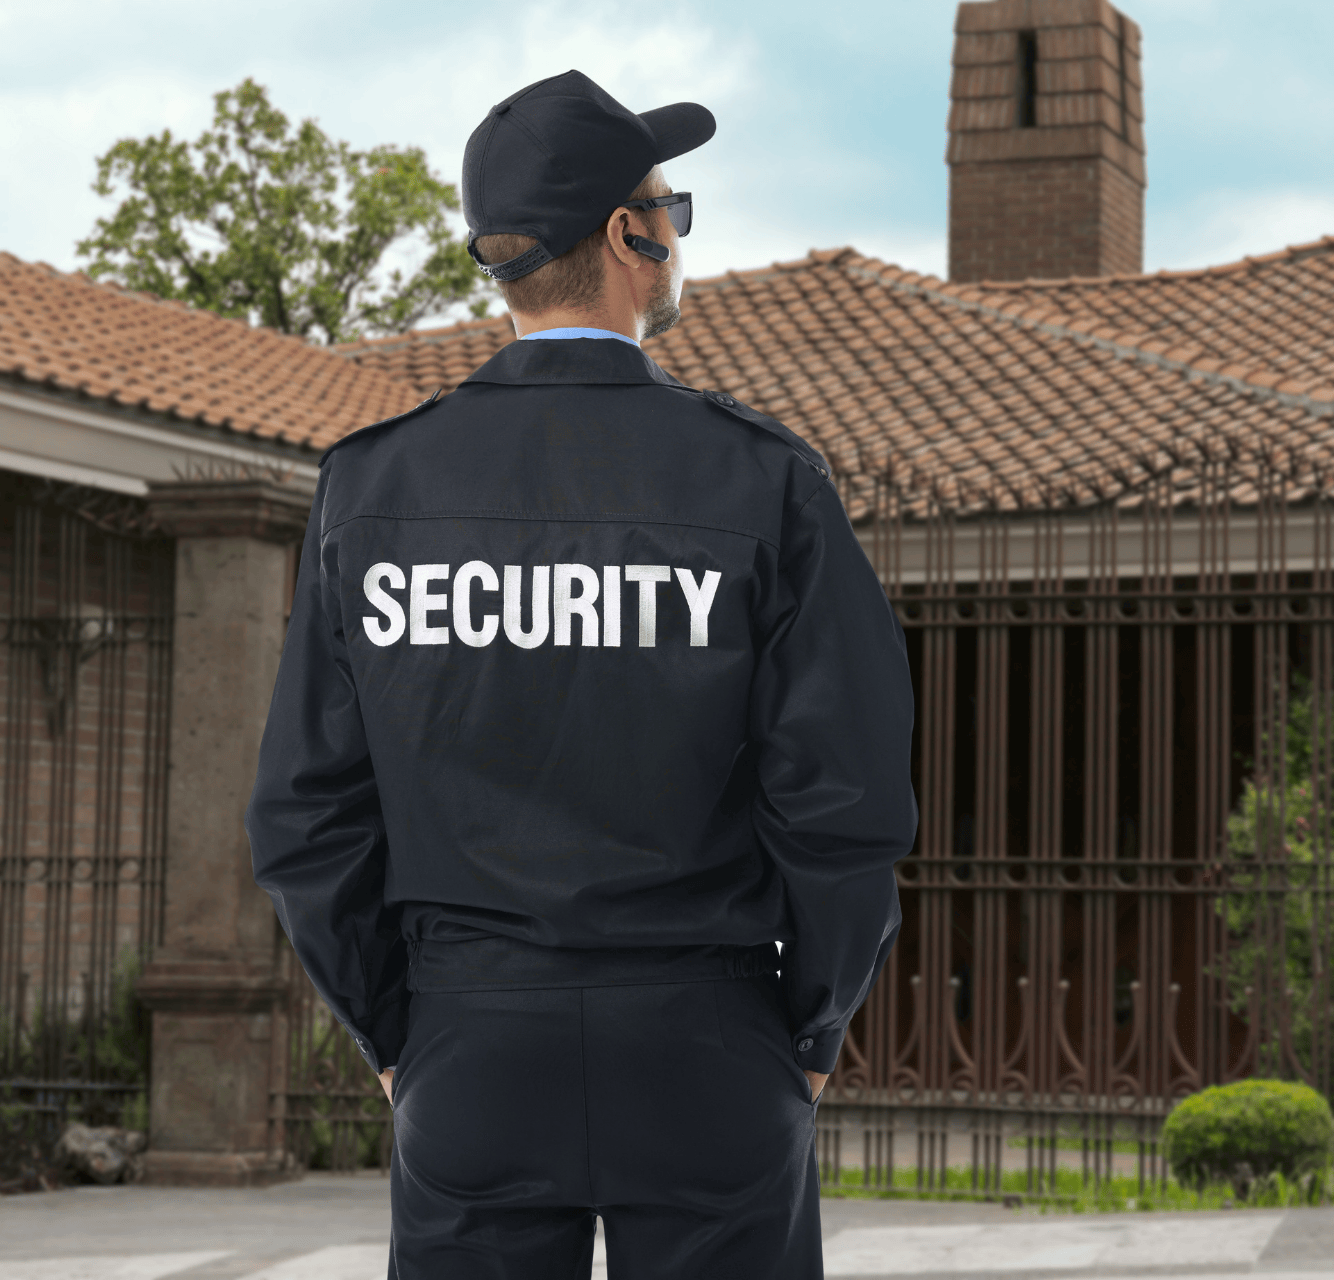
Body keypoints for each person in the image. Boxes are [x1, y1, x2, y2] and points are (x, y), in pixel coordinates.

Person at [247, 70, 917, 1279]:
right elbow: (842, 802)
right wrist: (809, 1028)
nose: (676, 229)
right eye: (675, 206)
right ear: (629, 235)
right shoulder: (761, 482)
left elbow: (306, 814)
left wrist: (396, 1027)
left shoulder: (373, 489)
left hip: (470, 1035)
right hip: (708, 1037)